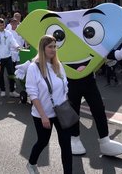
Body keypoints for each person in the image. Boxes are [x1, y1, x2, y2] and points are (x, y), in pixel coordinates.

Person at [25, 35, 71, 174]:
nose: (53, 49)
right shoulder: (34, 67)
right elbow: (33, 93)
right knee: (43, 141)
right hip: (42, 113)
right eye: (50, 46)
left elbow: (65, 86)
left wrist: (66, 107)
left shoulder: (58, 65)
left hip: (61, 111)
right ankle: (31, 164)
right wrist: (44, 116)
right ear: (42, 48)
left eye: (54, 46)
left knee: (66, 144)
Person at [0, 18, 20, 97]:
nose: (2, 26)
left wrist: (17, 46)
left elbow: (13, 41)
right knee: (0, 75)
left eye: (3, 24)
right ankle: (2, 90)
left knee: (11, 74)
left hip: (8, 57)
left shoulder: (8, 33)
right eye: (0, 25)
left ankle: (12, 91)